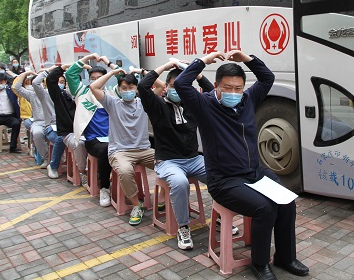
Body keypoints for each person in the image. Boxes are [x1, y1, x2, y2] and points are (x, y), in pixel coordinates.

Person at [174, 50, 309, 280]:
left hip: (254, 173)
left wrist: (247, 59)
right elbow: (181, 83)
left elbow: (267, 77)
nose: (233, 93)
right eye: (227, 88)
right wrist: (203, 61)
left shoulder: (248, 99)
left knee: (286, 202)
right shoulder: (204, 105)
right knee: (264, 208)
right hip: (224, 180)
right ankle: (259, 263)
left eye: (238, 88)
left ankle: (285, 257)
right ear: (216, 86)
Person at [137, 60, 215, 249]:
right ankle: (183, 227)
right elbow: (143, 86)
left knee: (220, 174)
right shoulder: (157, 105)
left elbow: (211, 91)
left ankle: (219, 217)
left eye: (181, 87)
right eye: (173, 86)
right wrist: (165, 66)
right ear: (166, 87)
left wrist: (195, 73)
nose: (177, 90)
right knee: (180, 183)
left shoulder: (193, 105)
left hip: (194, 159)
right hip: (168, 161)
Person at [90, 67, 155, 226]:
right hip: (120, 152)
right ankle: (136, 205)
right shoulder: (112, 103)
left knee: (169, 162)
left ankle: (161, 199)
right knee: (125, 171)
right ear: (118, 90)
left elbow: (160, 85)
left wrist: (141, 71)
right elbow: (94, 87)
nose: (127, 91)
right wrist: (112, 73)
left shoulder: (144, 102)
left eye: (131, 87)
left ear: (137, 88)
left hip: (144, 150)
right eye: (124, 88)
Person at [66, 53, 121, 207]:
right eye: (93, 78)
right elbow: (70, 74)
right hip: (93, 140)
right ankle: (104, 188)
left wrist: (108, 63)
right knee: (105, 150)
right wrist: (88, 57)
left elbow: (123, 76)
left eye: (100, 78)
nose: (96, 81)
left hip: (115, 138)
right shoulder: (81, 93)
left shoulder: (112, 93)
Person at [46, 64, 88, 185]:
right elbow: (50, 80)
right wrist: (62, 68)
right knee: (79, 144)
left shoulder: (85, 96)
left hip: (88, 132)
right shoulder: (60, 97)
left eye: (74, 83)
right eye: (68, 83)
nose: (70, 85)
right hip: (69, 133)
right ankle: (83, 172)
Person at [12, 70, 49, 165]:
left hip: (52, 122)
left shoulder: (49, 93)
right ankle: (46, 157)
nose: (39, 85)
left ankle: (58, 157)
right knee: (37, 134)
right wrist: (25, 73)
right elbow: (16, 87)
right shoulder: (31, 95)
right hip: (38, 122)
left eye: (41, 83)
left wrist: (46, 71)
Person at [32, 68, 63, 178]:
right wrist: (48, 70)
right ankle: (53, 165)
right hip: (51, 126)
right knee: (60, 139)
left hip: (66, 127)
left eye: (62, 82)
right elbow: (35, 83)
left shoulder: (66, 94)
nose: (59, 84)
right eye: (56, 81)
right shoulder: (45, 95)